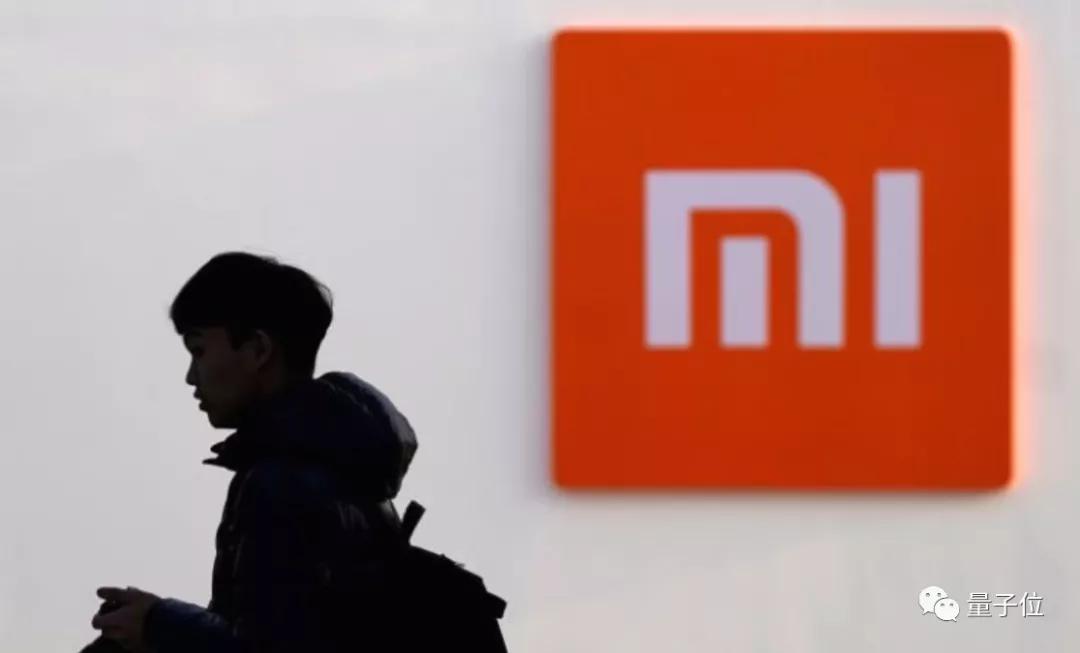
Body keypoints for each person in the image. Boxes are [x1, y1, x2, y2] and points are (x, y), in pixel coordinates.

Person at [87, 251, 418, 653]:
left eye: (199, 350)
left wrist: (155, 623)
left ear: (259, 350)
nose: (191, 377)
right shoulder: (352, 475)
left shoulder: (281, 484)